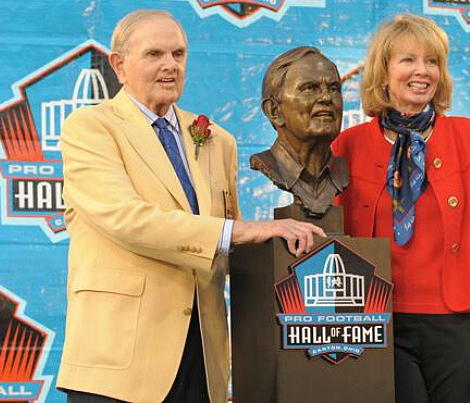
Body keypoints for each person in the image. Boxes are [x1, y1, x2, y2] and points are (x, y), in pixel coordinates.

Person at [56, 9, 324, 403]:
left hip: (202, 359)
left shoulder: (217, 139)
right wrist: (246, 230)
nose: (170, 65)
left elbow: (227, 248)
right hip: (117, 364)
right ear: (119, 65)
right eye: (154, 54)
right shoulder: (90, 128)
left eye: (178, 54)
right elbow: (127, 220)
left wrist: (301, 264)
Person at [333, 14, 470, 402]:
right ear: (383, 72)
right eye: (408, 60)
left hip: (458, 323)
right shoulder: (347, 146)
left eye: (432, 61)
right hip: (378, 325)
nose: (422, 71)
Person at [250, 46, 349, 218]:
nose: (326, 97)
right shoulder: (268, 165)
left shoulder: (342, 171)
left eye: (334, 88)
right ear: (274, 110)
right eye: (310, 88)